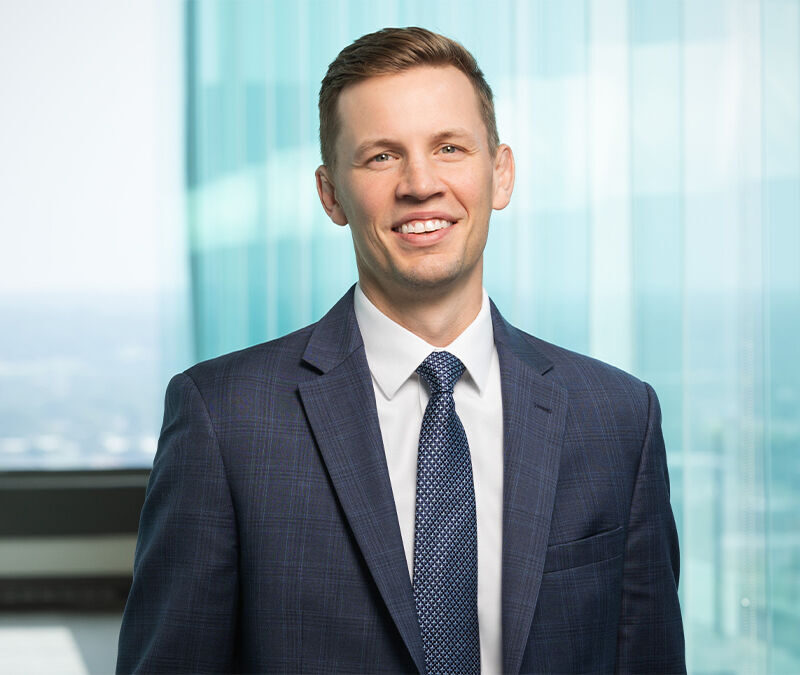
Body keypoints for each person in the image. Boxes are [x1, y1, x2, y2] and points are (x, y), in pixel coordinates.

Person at [117, 27, 685, 675]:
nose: (421, 183)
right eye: (381, 156)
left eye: (449, 147)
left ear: (500, 174)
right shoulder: (226, 418)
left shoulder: (616, 416)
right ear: (331, 193)